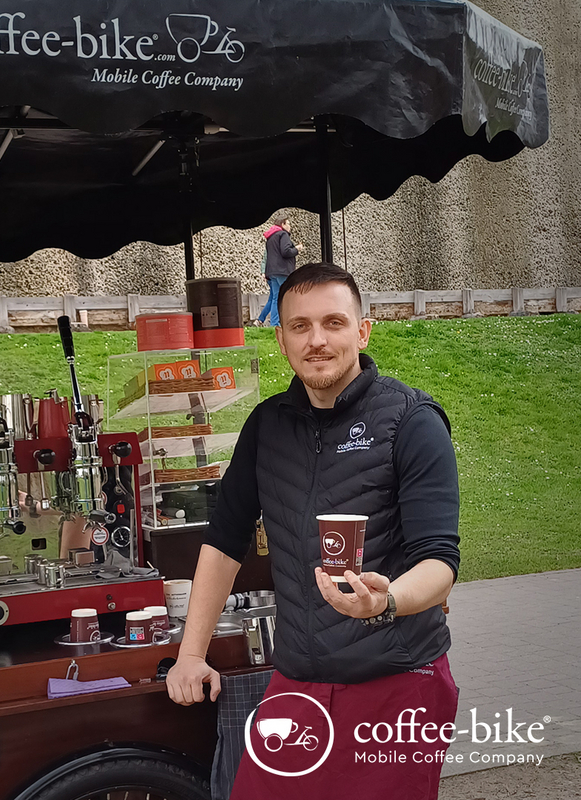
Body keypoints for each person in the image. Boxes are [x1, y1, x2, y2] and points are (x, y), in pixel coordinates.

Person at [166, 262, 460, 799]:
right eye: (300, 326)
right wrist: (192, 652)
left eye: (333, 322)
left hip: (395, 684)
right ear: (281, 339)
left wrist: (388, 599)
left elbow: (439, 562)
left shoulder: (412, 421)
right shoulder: (267, 425)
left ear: (362, 330)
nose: (317, 340)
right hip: (297, 681)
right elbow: (225, 541)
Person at [257, 215, 303, 327]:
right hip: (283, 271)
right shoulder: (283, 235)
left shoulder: (270, 237)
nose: (290, 226)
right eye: (288, 223)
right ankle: (291, 322)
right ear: (282, 224)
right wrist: (297, 249)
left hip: (272, 272)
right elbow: (286, 251)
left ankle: (274, 324)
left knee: (275, 298)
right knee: (288, 296)